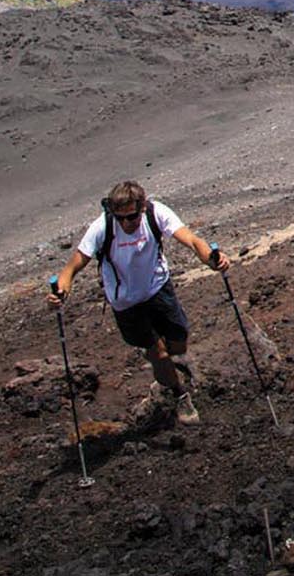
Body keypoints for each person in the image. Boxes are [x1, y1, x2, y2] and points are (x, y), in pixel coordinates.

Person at [47, 180, 229, 425]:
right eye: (119, 218)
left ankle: (163, 366)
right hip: (127, 303)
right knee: (159, 352)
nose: (125, 224)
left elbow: (191, 240)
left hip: (158, 288)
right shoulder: (102, 227)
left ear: (142, 208)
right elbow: (73, 266)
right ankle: (179, 394)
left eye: (131, 217)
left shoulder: (156, 213)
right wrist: (60, 292)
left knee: (179, 343)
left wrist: (211, 258)